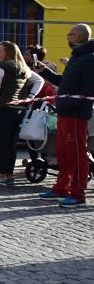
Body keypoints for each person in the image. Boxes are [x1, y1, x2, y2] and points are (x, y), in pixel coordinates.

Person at [34, 23, 94, 207]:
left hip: (75, 114)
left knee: (77, 154)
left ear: (80, 37)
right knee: (64, 153)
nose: (67, 37)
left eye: (70, 34)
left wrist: (70, 101)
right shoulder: (77, 57)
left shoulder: (89, 58)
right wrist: (45, 72)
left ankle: (78, 193)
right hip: (65, 112)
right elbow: (65, 82)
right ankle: (61, 187)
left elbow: (89, 89)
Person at [0, 41, 32, 186]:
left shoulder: (0, 69)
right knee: (11, 144)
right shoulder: (24, 69)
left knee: (2, 144)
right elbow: (38, 80)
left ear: (8, 53)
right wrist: (31, 96)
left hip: (3, 110)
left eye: (0, 51)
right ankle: (9, 174)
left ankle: (2, 175)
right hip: (19, 110)